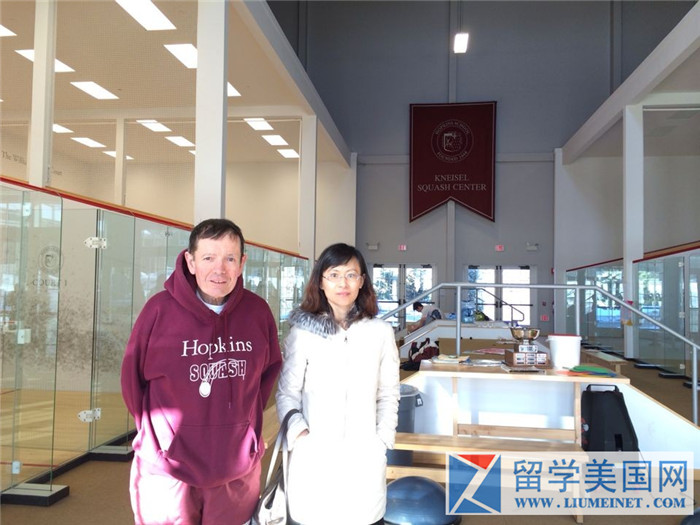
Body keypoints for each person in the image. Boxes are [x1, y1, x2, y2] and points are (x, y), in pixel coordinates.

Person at [120, 218, 282, 525]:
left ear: (242, 263)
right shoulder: (158, 311)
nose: (219, 269)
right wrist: (161, 439)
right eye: (208, 258)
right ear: (191, 262)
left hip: (236, 469)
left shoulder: (257, 312)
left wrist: (244, 430)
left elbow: (265, 377)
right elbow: (132, 380)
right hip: (167, 469)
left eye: (229, 258)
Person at [275, 243, 400, 525]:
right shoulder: (303, 333)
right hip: (315, 458)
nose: (343, 283)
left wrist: (381, 441)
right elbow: (286, 394)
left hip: (364, 457)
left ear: (362, 281)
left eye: (351, 275)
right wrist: (301, 437)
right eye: (334, 275)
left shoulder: (380, 332)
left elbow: (389, 393)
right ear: (321, 281)